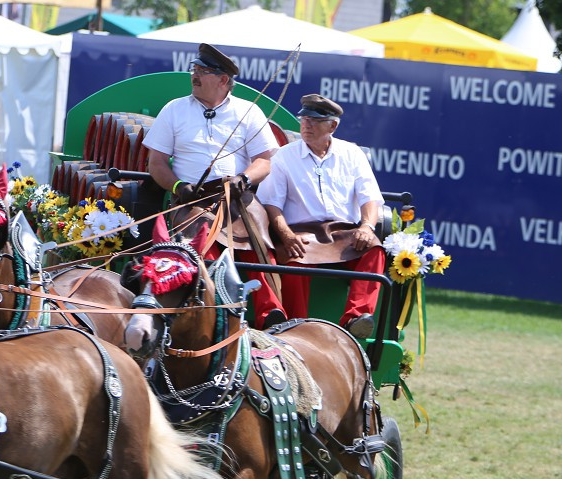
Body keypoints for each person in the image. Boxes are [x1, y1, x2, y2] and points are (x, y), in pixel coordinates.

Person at [142, 43, 285, 330]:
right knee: (201, 244)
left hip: (238, 196)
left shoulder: (249, 111)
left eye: (203, 71)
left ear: (223, 80)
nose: (195, 76)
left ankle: (272, 312)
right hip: (192, 198)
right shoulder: (174, 110)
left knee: (257, 241)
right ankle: (213, 309)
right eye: (194, 69)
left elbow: (265, 161)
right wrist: (179, 186)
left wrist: (244, 178)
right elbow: (156, 164)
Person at [256, 94, 385, 339]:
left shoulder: (352, 153)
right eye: (304, 119)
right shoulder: (284, 155)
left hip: (345, 231)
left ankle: (356, 319)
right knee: (294, 258)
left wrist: (367, 226)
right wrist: (286, 234)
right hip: (302, 232)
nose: (306, 125)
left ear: (332, 126)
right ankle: (295, 326)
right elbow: (271, 205)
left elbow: (370, 197)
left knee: (373, 249)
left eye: (315, 121)